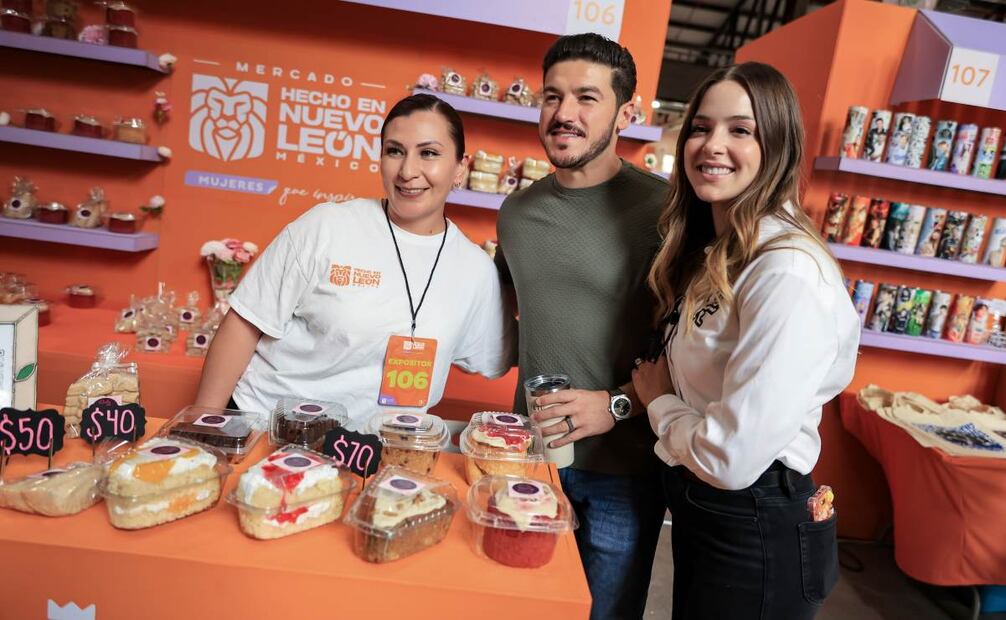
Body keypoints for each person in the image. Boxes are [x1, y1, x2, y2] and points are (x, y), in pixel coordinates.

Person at [632, 62, 860, 619]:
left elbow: (731, 458)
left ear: (777, 145)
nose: (712, 145)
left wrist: (659, 402)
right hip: (710, 511)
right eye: (701, 127)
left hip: (755, 521)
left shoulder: (785, 272)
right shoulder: (726, 250)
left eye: (740, 130)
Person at [194, 94, 515, 423]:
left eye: (428, 153)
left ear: (460, 168)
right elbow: (244, 323)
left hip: (374, 451)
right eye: (394, 151)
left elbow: (499, 354)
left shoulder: (475, 270)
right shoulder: (326, 226)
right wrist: (203, 424)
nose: (407, 171)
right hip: (270, 429)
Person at [494, 33, 668, 619]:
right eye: (552, 96)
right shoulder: (516, 213)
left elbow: (697, 352)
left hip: (625, 471)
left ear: (626, 113)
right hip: (530, 458)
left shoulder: (664, 213)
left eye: (586, 98)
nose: (564, 114)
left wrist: (617, 405)